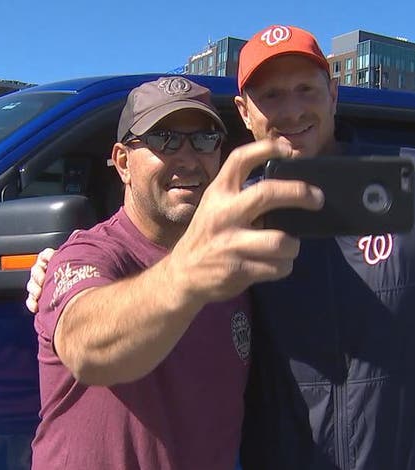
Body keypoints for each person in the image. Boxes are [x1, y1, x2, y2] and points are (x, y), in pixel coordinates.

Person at [28, 26, 415, 470]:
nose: (291, 111)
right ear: (245, 112)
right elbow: (145, 254)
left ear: (332, 94)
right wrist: (56, 273)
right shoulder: (233, 213)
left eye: (305, 90)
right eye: (270, 96)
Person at [29, 76, 323, 470]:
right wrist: (187, 274)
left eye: (204, 140)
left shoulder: (239, 264)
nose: (187, 158)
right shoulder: (89, 254)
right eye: (163, 139)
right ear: (122, 162)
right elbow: (87, 348)